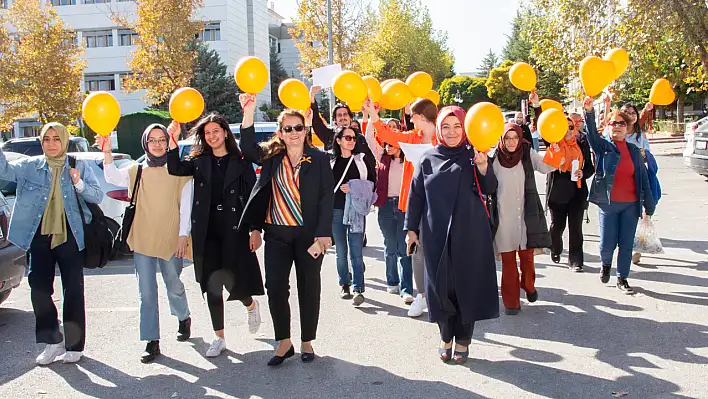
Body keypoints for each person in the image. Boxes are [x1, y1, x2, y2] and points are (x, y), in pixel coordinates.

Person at [238, 94, 334, 366]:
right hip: (277, 234)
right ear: (280, 132)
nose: (293, 133)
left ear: (306, 130)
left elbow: (327, 195)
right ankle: (284, 342)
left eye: (298, 128)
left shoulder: (318, 158)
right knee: (276, 286)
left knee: (308, 286)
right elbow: (247, 147)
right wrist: (249, 112)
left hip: (309, 236)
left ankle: (307, 341)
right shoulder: (272, 155)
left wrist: (324, 233)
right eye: (288, 129)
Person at [0, 122, 103, 365]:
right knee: (38, 290)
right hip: (39, 236)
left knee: (74, 291)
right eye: (47, 139)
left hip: (71, 235)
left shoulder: (78, 165)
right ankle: (53, 342)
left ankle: (74, 346)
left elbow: (97, 195)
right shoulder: (29, 167)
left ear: (65, 141)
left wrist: (79, 183)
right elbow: (4, 170)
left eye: (57, 139)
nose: (52, 144)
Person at [405, 106, 499, 364]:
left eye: (457, 126)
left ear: (465, 127)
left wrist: (483, 167)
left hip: (471, 235)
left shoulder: (475, 155)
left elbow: (490, 188)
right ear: (438, 129)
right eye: (445, 127)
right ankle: (446, 337)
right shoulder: (428, 158)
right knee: (440, 290)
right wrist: (411, 230)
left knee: (466, 289)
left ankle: (464, 341)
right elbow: (416, 197)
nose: (452, 132)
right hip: (436, 237)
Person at [166, 113, 265, 358]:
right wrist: (172, 140)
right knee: (211, 285)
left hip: (235, 228)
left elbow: (253, 196)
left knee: (236, 282)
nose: (211, 137)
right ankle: (219, 337)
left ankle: (251, 305)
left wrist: (255, 229)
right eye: (207, 133)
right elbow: (175, 168)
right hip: (206, 230)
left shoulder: (240, 161)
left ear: (224, 133)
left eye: (215, 132)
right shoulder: (199, 161)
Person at [97, 126, 193, 364]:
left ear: (169, 142)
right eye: (153, 140)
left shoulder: (180, 171)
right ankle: (152, 340)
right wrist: (107, 151)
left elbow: (187, 206)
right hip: (142, 238)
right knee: (147, 293)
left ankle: (183, 316)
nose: (158, 144)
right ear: (145, 144)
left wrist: (183, 235)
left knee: (173, 283)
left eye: (162, 140)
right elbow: (112, 177)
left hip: (172, 239)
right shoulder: (137, 170)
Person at [363, 97, 439, 318]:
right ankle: (422, 295)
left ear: (421, 117)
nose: (411, 121)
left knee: (440, 252)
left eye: (413, 117)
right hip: (414, 201)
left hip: (440, 203)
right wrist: (373, 115)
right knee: (415, 249)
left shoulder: (443, 137)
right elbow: (388, 135)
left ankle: (440, 295)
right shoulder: (412, 137)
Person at [583, 96, 655, 294]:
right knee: (607, 243)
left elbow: (643, 179)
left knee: (626, 244)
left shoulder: (633, 150)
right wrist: (589, 112)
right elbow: (591, 136)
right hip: (609, 204)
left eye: (621, 123)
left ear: (627, 127)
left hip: (631, 205)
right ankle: (606, 264)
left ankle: (622, 278)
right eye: (613, 123)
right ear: (608, 126)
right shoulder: (604, 148)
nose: (617, 126)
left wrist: (649, 205)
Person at [490, 123, 555, 315]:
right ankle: (511, 302)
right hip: (504, 216)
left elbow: (546, 167)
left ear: (520, 139)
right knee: (508, 259)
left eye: (515, 137)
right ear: (501, 139)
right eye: (507, 138)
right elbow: (485, 182)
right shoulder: (494, 157)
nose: (511, 142)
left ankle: (529, 285)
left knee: (527, 256)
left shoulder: (527, 153)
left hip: (526, 213)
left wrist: (555, 149)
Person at [330, 126, 376, 305]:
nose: (351, 141)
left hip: (356, 211)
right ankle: (344, 284)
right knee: (341, 251)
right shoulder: (330, 162)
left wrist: (354, 187)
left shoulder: (361, 161)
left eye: (354, 138)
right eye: (347, 137)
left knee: (356, 251)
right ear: (338, 140)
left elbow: (372, 183)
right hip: (336, 210)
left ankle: (358, 288)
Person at [544, 117, 595, 272]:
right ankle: (555, 248)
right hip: (558, 192)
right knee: (557, 226)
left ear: (575, 128)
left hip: (577, 191)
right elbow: (543, 125)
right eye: (563, 128)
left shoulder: (581, 144)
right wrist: (537, 105)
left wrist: (582, 173)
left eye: (571, 127)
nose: (567, 131)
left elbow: (590, 168)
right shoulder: (554, 144)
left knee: (576, 228)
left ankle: (576, 260)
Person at [373, 141, 414, 304]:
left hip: (404, 206)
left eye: (391, 144)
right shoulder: (382, 158)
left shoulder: (409, 160)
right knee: (390, 246)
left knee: (404, 248)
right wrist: (369, 116)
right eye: (386, 144)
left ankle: (407, 289)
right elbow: (370, 138)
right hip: (386, 206)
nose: (387, 147)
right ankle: (392, 281)